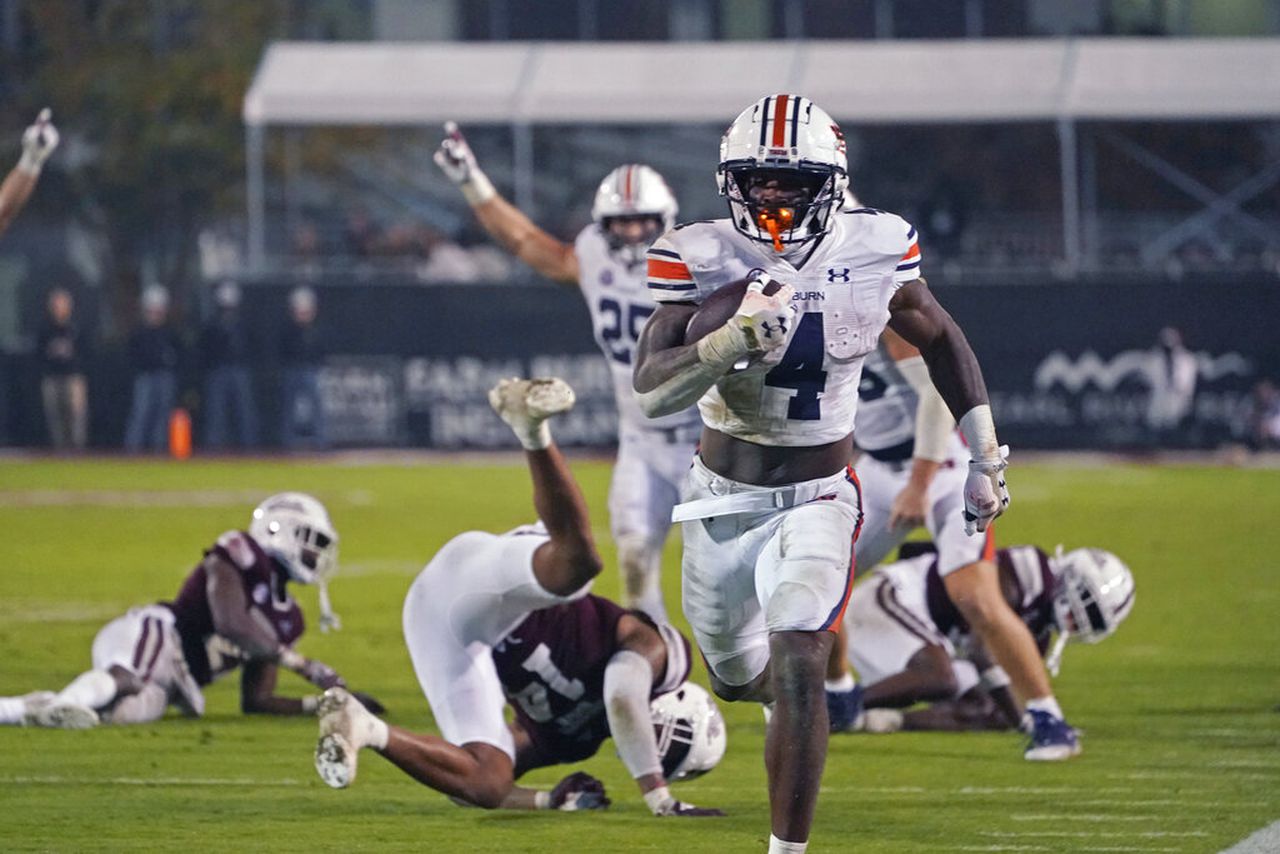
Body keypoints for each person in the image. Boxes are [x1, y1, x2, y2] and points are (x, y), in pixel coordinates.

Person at [631, 93, 1010, 853]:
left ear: (830, 183)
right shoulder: (698, 255)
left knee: (800, 653)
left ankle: (787, 847)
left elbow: (939, 338)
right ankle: (797, 711)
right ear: (729, 180)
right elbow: (651, 391)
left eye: (790, 182)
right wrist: (727, 340)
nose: (770, 196)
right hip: (719, 500)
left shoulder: (875, 246)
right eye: (757, 180)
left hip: (819, 496)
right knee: (739, 678)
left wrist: (985, 452)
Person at [314, 378, 723, 817]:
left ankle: (363, 726)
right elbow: (623, 695)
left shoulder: (577, 739)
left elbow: (469, 782)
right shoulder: (664, 652)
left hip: (449, 633)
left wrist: (549, 800)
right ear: (679, 701)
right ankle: (531, 430)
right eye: (675, 742)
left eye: (669, 761)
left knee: (486, 780)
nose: (661, 751)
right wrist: (658, 797)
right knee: (581, 567)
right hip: (489, 595)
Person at [435, 125, 697, 621]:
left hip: (702, 441)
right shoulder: (594, 255)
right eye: (622, 223)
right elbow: (524, 241)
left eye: (644, 221)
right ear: (603, 224)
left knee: (721, 576)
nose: (635, 233)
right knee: (636, 566)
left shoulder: (694, 262)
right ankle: (659, 676)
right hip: (640, 441)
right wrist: (472, 181)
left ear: (665, 220)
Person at [822, 327, 1079, 760]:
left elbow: (936, 396)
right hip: (881, 469)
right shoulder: (809, 302)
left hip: (939, 467)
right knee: (825, 578)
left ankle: (1048, 717)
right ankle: (839, 693)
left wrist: (920, 484)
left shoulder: (879, 304)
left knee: (974, 596)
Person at [0, 492, 376, 728]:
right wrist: (303, 666)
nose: (315, 554)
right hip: (158, 635)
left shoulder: (289, 619)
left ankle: (16, 710)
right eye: (311, 541)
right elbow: (232, 623)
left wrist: (324, 704)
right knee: (126, 677)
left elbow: (256, 701)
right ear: (280, 530)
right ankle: (65, 703)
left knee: (118, 716)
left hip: (180, 681)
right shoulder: (239, 551)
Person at [841, 542, 1134, 736]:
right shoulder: (1032, 571)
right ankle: (835, 706)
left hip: (919, 635)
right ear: (1071, 577)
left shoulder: (1039, 632)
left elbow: (998, 697)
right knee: (942, 676)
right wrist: (1028, 722)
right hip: (892, 597)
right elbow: (981, 645)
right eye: (1086, 603)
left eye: (1093, 618)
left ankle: (873, 720)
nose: (1080, 618)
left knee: (988, 709)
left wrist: (1019, 717)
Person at [199, 280, 259, 449]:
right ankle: (215, 445)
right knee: (217, 411)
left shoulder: (244, 323)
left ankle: (249, 445)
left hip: (239, 369)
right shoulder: (212, 324)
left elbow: (252, 344)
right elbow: (205, 347)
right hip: (218, 370)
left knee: (244, 410)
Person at [124, 285, 181, 453]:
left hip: (165, 376)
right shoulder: (139, 333)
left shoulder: (170, 332)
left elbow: (179, 354)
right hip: (145, 377)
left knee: (163, 416)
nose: (155, 313)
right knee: (141, 414)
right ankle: (133, 450)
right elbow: (133, 355)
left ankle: (159, 450)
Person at [37, 287, 88, 451]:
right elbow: (38, 353)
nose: (60, 308)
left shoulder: (77, 327)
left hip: (73, 376)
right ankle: (59, 450)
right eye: (57, 304)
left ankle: (77, 449)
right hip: (52, 376)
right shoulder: (45, 329)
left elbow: (86, 352)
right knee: (55, 415)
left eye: (63, 304)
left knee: (76, 415)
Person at [0, 108, 58, 237]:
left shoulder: (52, 135)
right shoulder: (31, 131)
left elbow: (43, 153)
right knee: (2, 205)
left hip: (33, 173)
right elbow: (31, 148)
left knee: (10, 212)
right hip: (22, 169)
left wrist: (41, 144)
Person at [280, 286, 325, 450]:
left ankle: (321, 441)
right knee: (289, 408)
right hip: (292, 369)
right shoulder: (288, 329)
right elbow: (283, 348)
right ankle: (288, 441)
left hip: (310, 370)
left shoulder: (316, 329)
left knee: (316, 407)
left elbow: (321, 349)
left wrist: (318, 365)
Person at [1145, 326, 1198, 446]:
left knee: (1177, 431)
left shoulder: (1186, 359)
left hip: (1178, 399)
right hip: (1158, 399)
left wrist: (1183, 397)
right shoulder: (1154, 359)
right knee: (1156, 428)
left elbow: (1186, 383)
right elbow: (1149, 380)